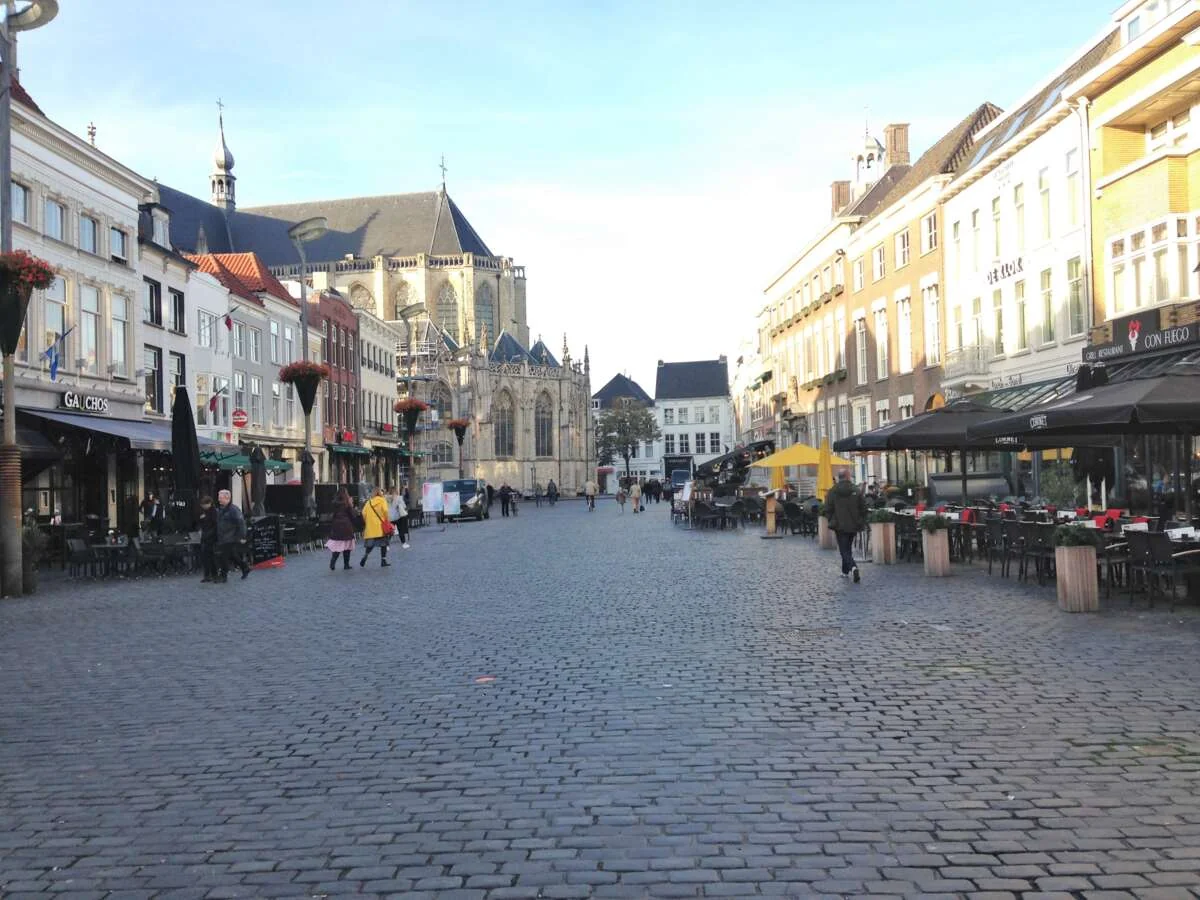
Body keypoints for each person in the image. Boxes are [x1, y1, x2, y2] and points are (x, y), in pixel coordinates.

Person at [823, 468, 867, 582]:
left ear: (839, 477)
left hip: (839, 524)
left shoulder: (833, 491)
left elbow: (827, 508)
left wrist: (832, 519)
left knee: (844, 549)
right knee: (847, 547)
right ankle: (845, 571)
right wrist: (860, 519)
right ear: (847, 476)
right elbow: (863, 507)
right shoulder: (856, 490)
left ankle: (853, 567)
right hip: (853, 523)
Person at [215, 489, 250, 581]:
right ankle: (245, 567)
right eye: (219, 497)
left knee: (224, 556)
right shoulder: (220, 509)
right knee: (232, 555)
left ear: (227, 498)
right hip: (222, 536)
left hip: (231, 536)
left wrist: (242, 536)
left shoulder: (233, 509)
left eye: (220, 498)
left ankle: (223, 576)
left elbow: (241, 523)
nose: (219, 499)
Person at [360, 487, 393, 567]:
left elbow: (363, 513)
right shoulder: (382, 500)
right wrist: (386, 519)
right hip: (380, 527)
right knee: (383, 544)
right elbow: (385, 511)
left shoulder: (369, 502)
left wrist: (368, 521)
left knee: (370, 545)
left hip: (371, 528)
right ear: (380, 493)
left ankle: (366, 555)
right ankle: (383, 560)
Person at [326, 488, 357, 571]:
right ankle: (346, 565)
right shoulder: (347, 503)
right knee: (347, 546)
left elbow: (332, 515)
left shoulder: (334, 503)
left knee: (338, 545)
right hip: (346, 526)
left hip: (337, 525)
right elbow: (352, 515)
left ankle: (333, 561)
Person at [198, 495, 218, 583]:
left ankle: (214, 574)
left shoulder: (214, 512)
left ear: (209, 503)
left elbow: (215, 525)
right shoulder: (204, 511)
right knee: (205, 557)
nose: (203, 506)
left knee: (211, 557)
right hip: (205, 536)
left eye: (204, 505)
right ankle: (207, 575)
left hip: (211, 537)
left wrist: (209, 534)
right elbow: (201, 523)